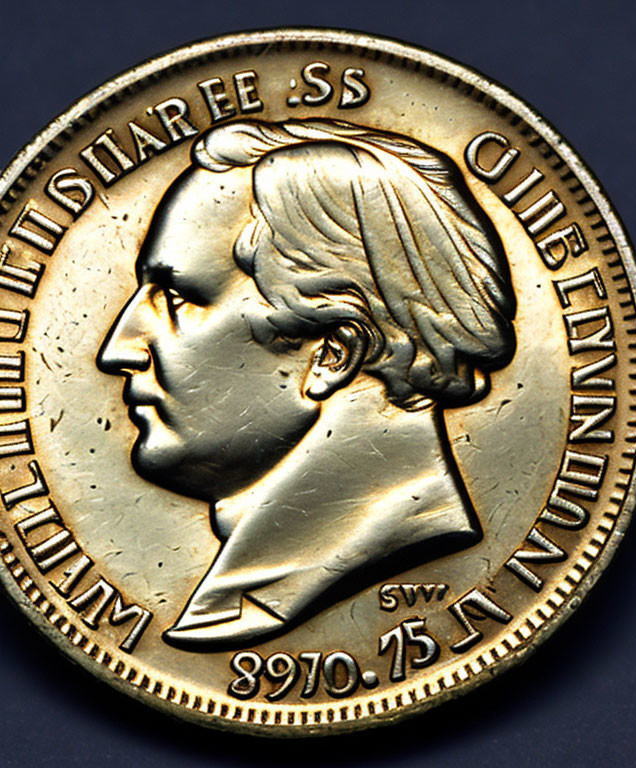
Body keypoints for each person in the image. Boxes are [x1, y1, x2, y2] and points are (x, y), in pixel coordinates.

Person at [97, 119, 516, 649]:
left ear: (332, 353)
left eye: (178, 300)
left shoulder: (262, 600)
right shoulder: (247, 596)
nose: (118, 351)